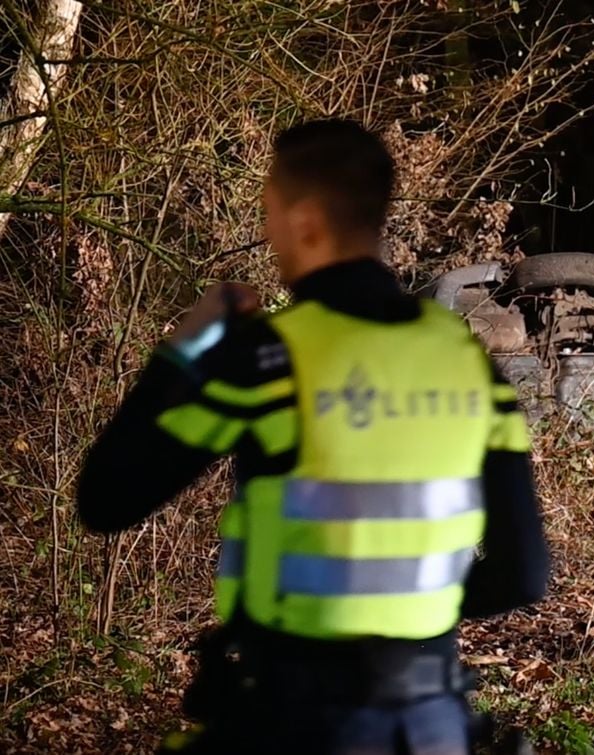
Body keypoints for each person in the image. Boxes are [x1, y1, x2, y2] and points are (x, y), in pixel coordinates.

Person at [76, 119, 549, 755]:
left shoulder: (266, 359)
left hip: (294, 721)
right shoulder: (469, 363)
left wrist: (182, 351)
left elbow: (105, 500)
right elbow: (525, 575)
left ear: (304, 221)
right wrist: (409, 614)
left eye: (270, 213)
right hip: (432, 726)